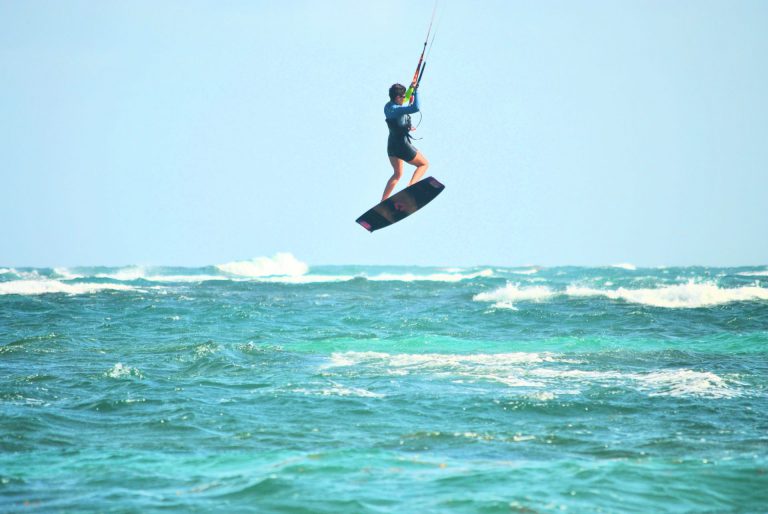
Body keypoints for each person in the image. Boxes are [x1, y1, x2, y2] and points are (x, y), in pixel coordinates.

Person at [382, 83, 429, 201]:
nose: (405, 99)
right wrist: (416, 91)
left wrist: (411, 88)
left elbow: (406, 100)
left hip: (391, 146)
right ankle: (411, 187)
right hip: (402, 146)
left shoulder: (388, 106)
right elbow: (416, 108)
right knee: (424, 164)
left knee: (397, 174)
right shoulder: (397, 109)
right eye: (403, 97)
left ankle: (383, 201)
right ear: (398, 98)